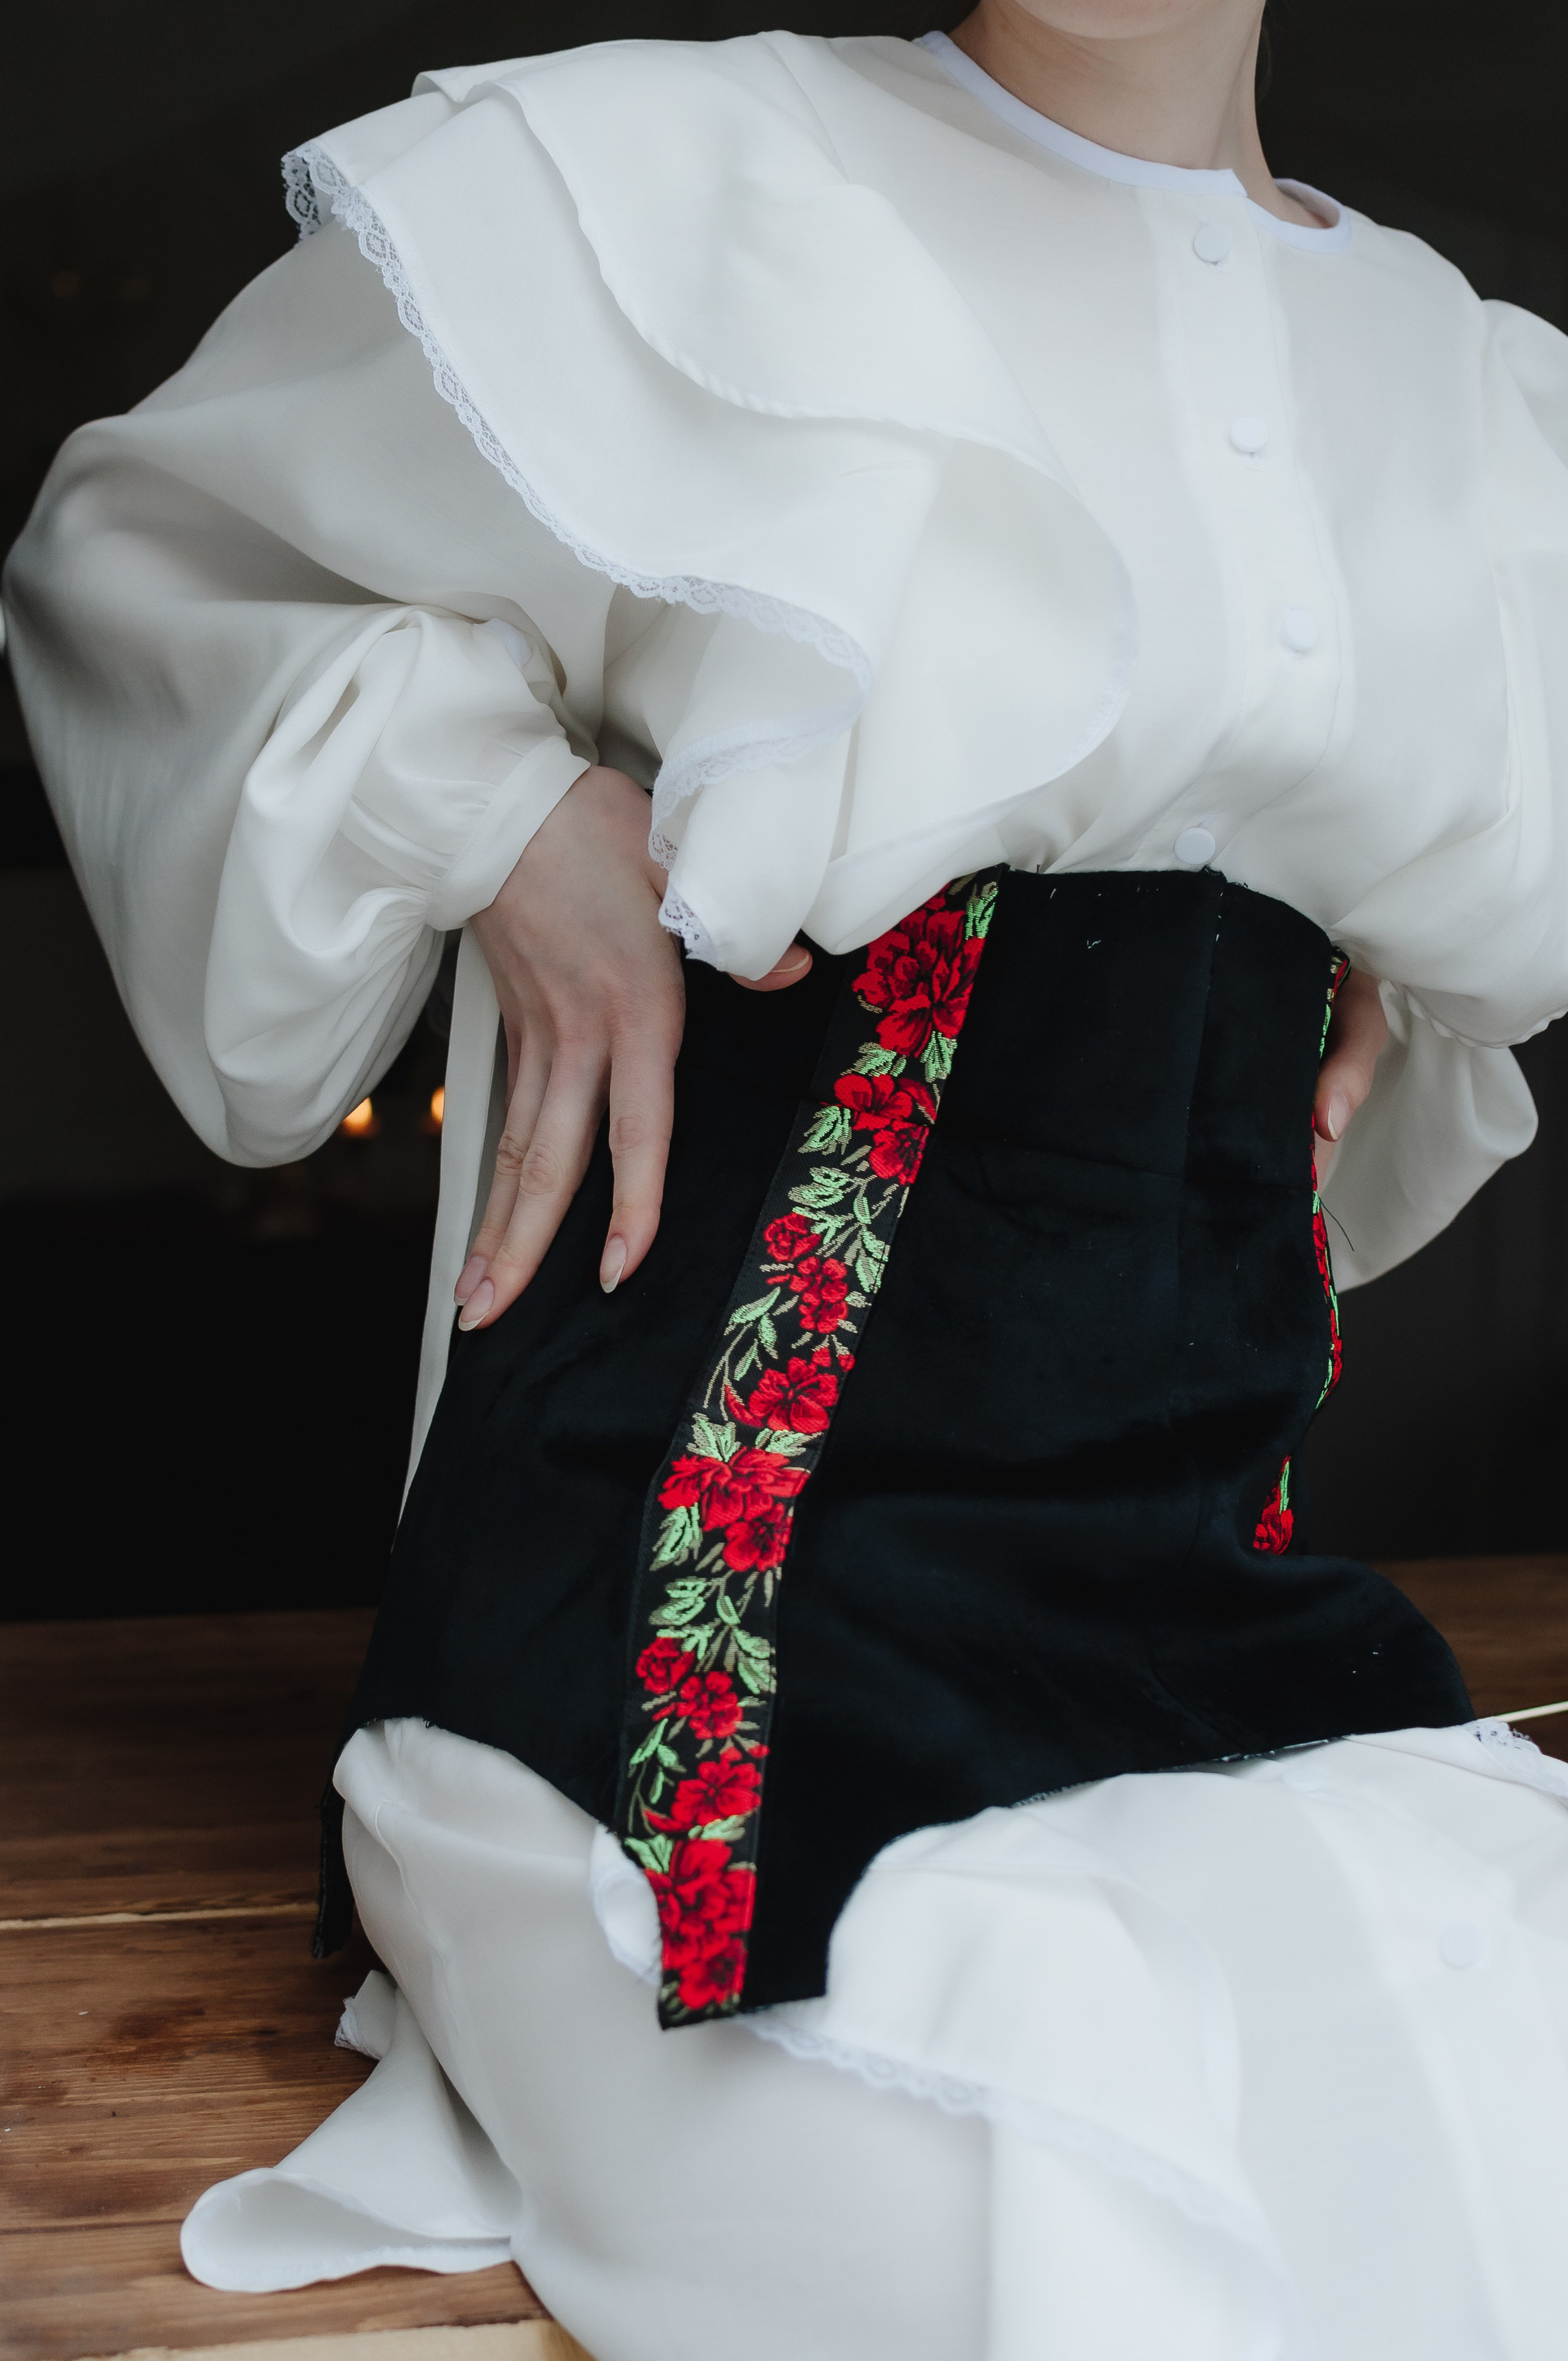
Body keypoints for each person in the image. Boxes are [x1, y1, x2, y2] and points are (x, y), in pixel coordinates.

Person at [8, 2, 1568, 2353]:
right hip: (659, 1654)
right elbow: (142, 560)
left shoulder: (1470, 391)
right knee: (1073, 2272)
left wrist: (1351, 955)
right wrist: (499, 813)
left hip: (1195, 1634)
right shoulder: (675, 178)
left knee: (1487, 2150)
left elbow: (1402, 1016)